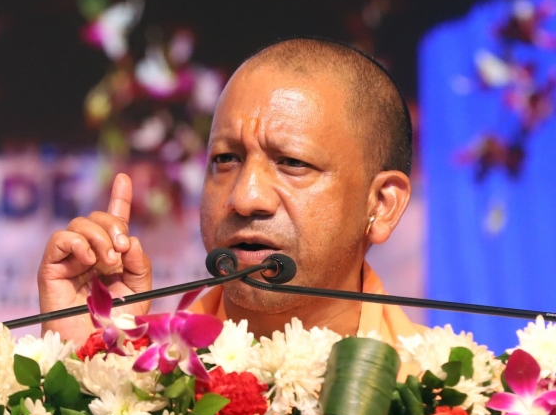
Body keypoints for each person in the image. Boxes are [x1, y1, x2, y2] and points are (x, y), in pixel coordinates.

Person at [38, 38, 423, 347]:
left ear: (382, 204)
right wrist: (81, 363)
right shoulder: (141, 363)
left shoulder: (447, 401)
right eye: (226, 159)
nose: (245, 197)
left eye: (291, 162)